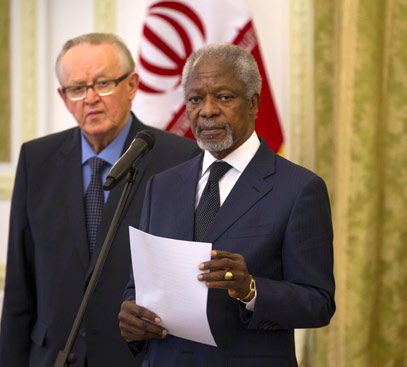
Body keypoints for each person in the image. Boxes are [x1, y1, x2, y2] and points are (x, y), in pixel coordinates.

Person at [118, 44, 335, 366]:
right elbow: (140, 285)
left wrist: (250, 289)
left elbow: (318, 303)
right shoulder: (161, 186)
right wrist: (131, 313)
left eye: (223, 97)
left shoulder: (299, 189)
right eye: (195, 99)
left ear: (253, 103)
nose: (207, 111)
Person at [0, 33, 200, 367]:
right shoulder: (37, 159)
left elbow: (185, 280)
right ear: (64, 98)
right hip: (51, 356)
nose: (90, 99)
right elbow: (20, 285)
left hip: (137, 358)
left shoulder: (179, 158)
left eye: (103, 83)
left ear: (132, 85)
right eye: (77, 88)